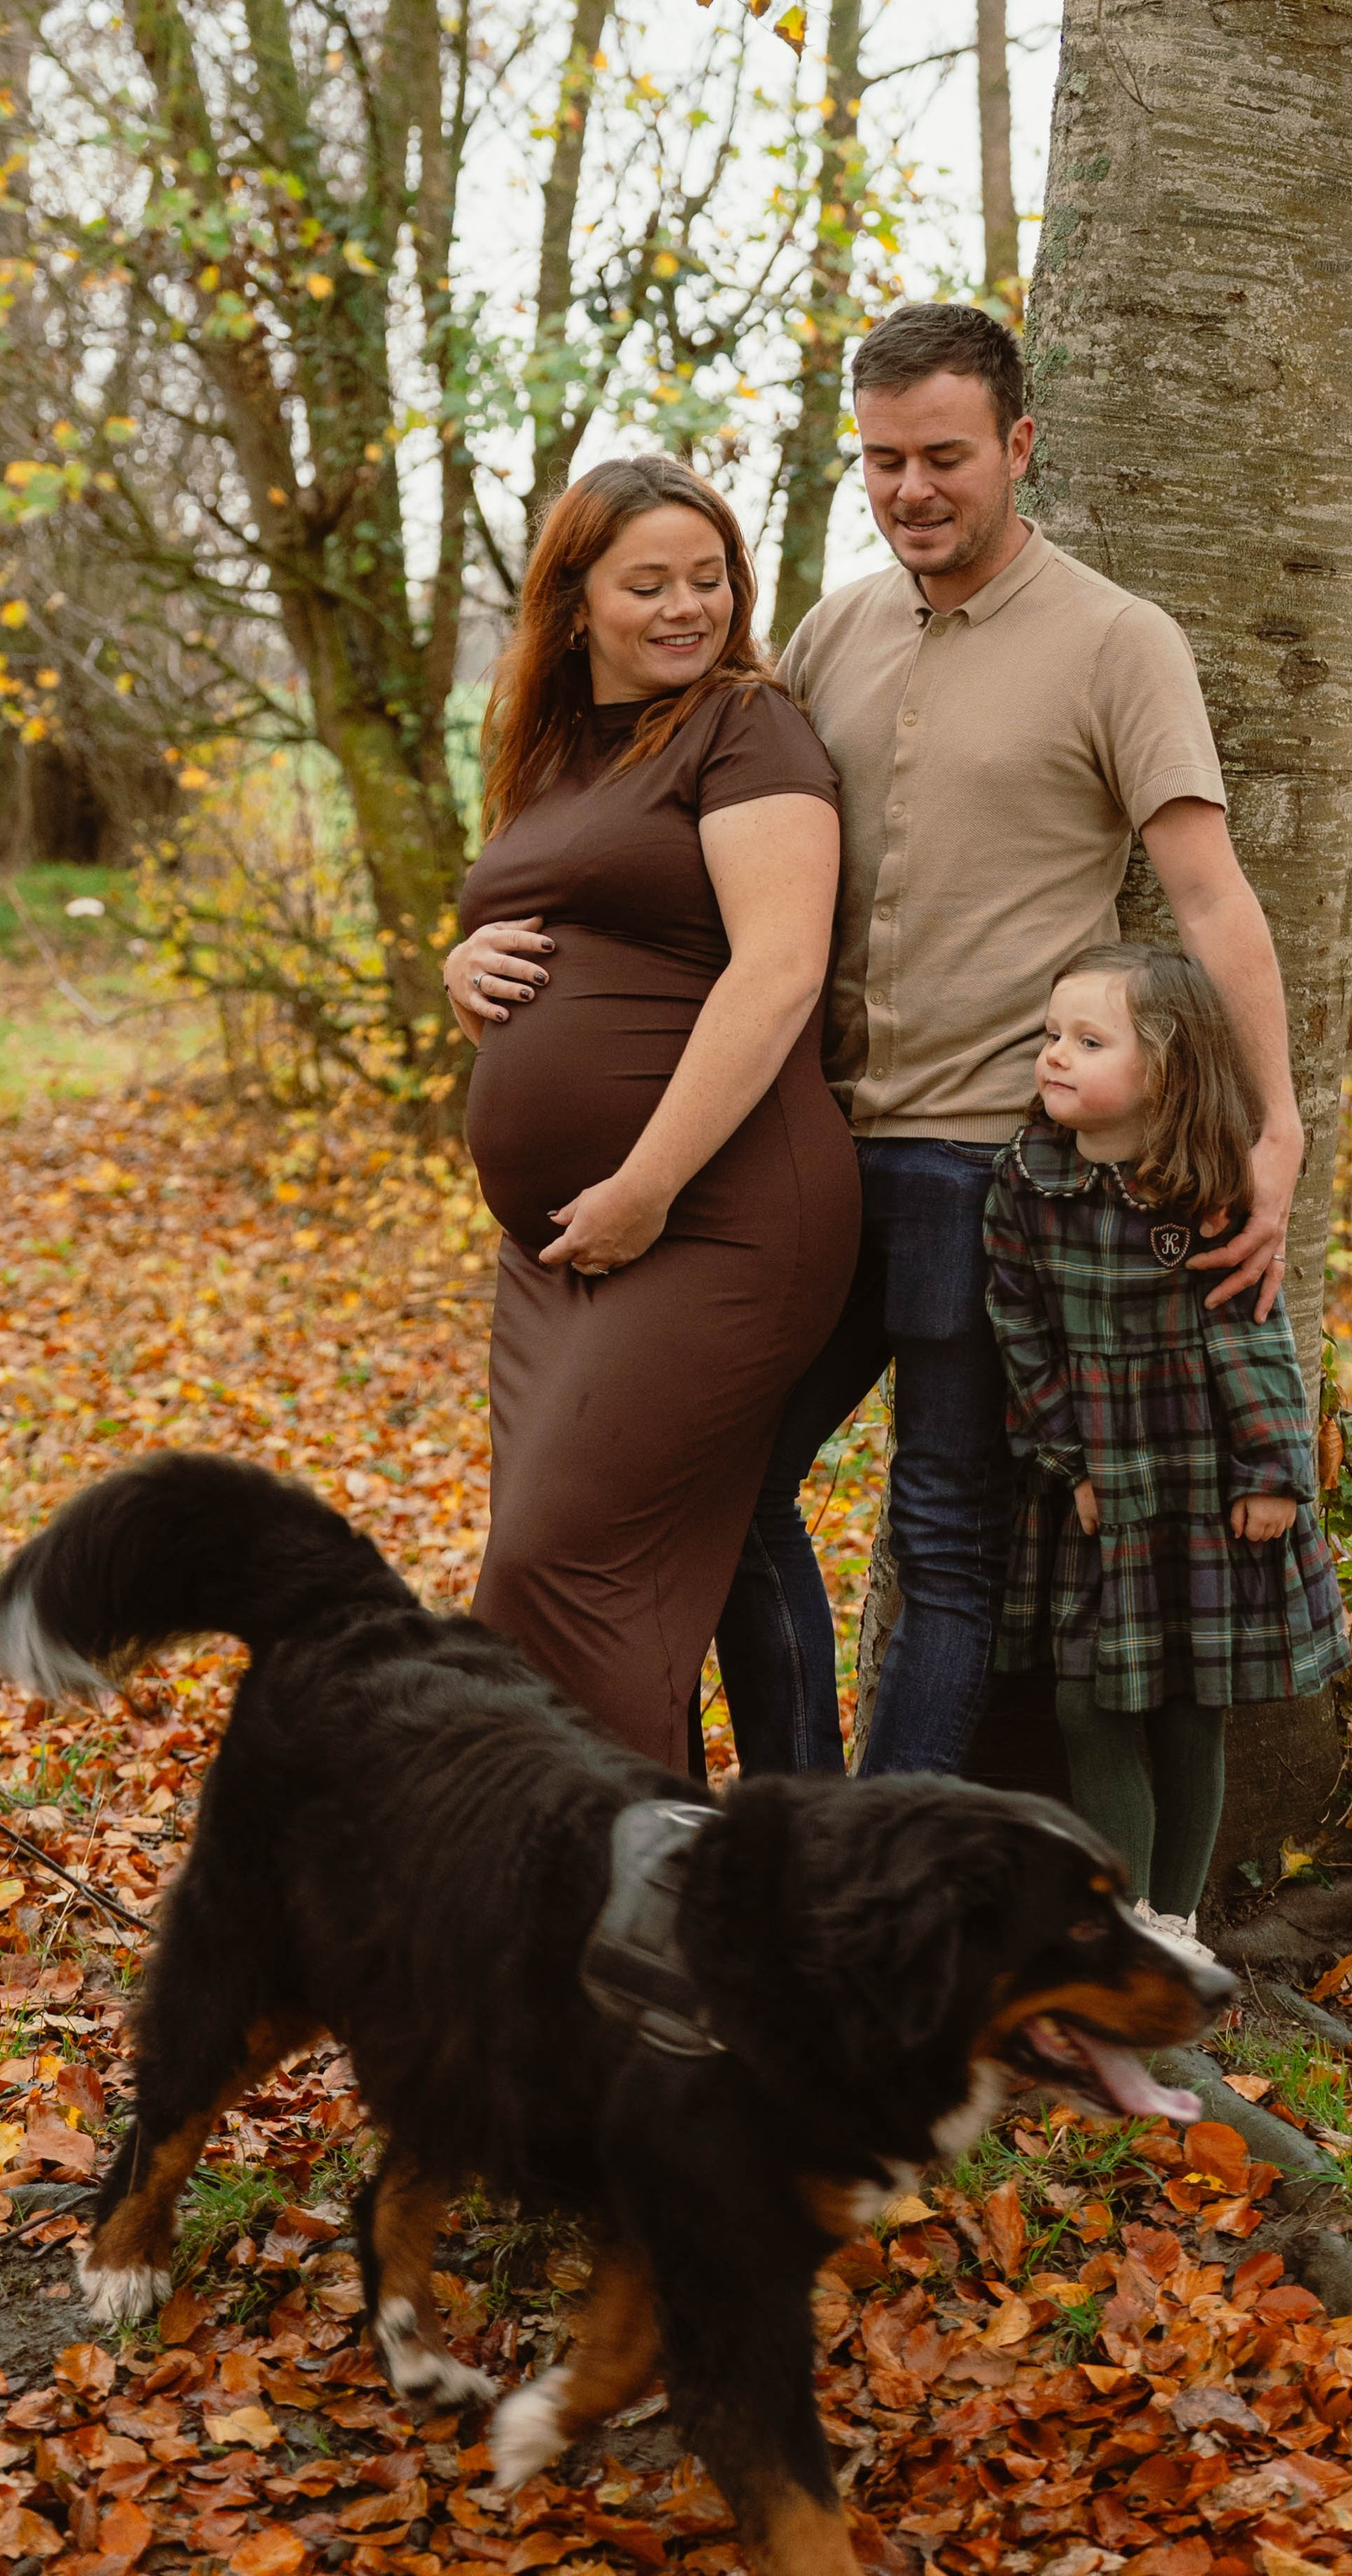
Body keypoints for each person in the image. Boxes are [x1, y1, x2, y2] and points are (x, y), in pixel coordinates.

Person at [713, 301, 1308, 1779]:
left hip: (992, 1168)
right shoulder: (835, 627)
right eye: (882, 459)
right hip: (809, 1145)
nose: (912, 489)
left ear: (1019, 448)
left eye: (944, 456)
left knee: (946, 1537)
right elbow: (723, 845)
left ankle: (880, 1878)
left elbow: (1207, 892)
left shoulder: (1118, 640)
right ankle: (797, 1822)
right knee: (722, 1479)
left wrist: (1274, 1128)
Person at [443, 455, 860, 1773]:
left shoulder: (746, 728)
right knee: (596, 1579)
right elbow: (548, 915)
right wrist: (460, 967)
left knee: (553, 1562)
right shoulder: (556, 746)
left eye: (710, 576)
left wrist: (649, 1183)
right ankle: (613, 1885)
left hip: (718, 1211)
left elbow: (779, 964)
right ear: (574, 605)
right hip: (559, 1249)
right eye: (648, 583)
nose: (688, 606)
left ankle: (618, 1892)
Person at [984, 943, 1349, 1936]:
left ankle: (1169, 1926)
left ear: (1168, 1069)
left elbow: (1256, 1332)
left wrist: (1274, 1470)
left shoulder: (1208, 1189)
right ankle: (1118, 1921)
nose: (1055, 1055)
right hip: (1100, 1484)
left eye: (1089, 1041)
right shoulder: (1028, 1181)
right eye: (1051, 1035)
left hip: (1203, 1484)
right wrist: (1068, 1463)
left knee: (1194, 1711)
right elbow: (1017, 1330)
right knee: (1083, 1704)